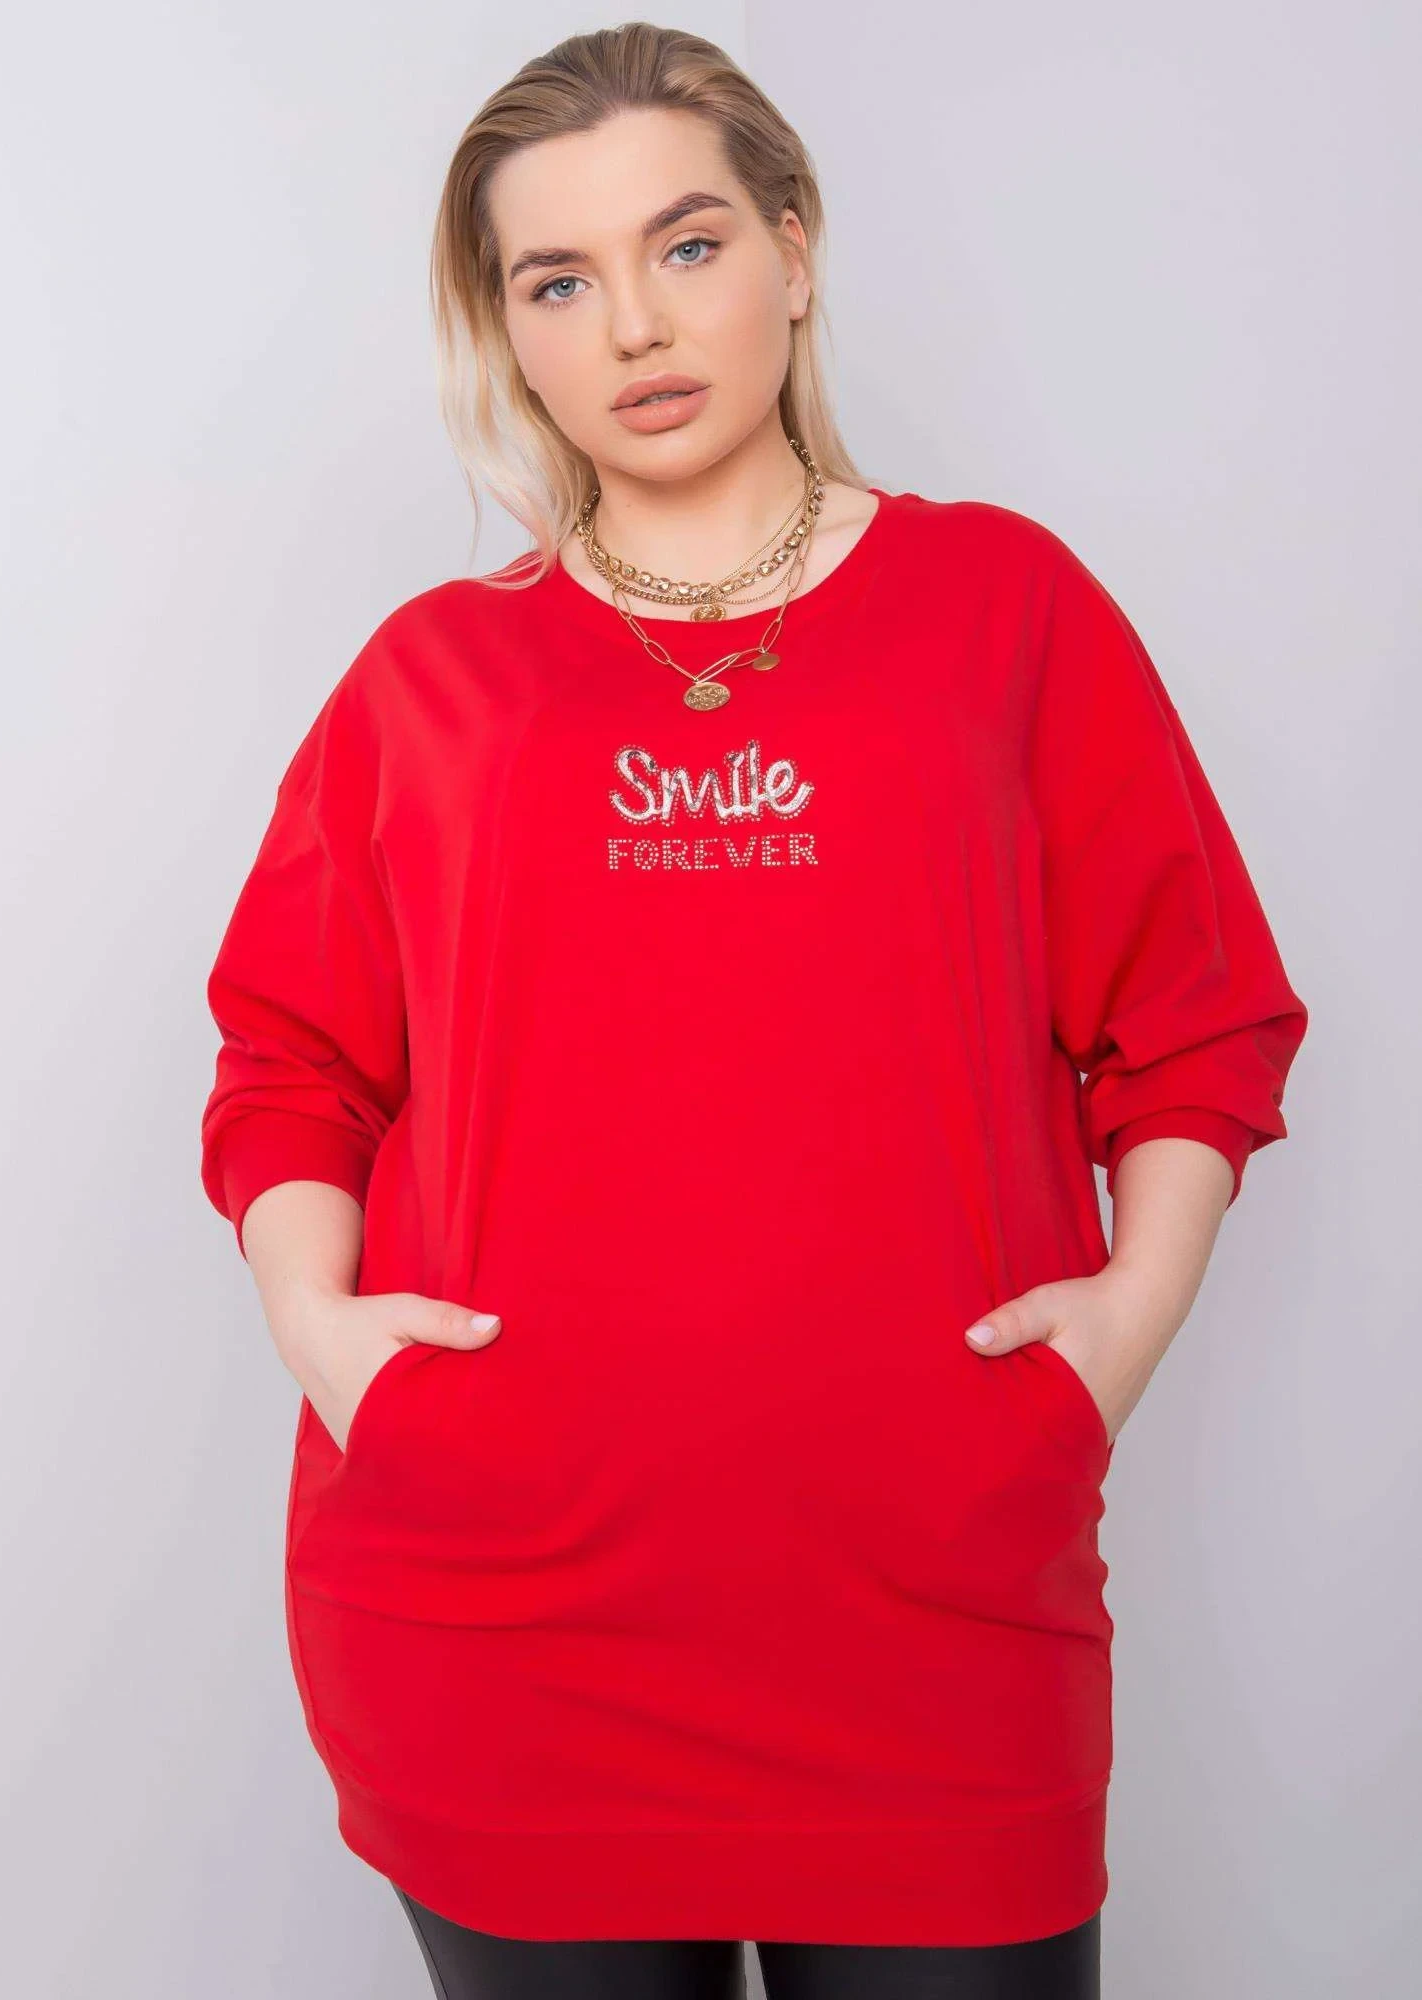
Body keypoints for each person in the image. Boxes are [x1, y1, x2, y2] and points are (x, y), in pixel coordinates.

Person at [198, 22, 1308, 1997]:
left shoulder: (1002, 611)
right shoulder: (435, 681)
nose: (635, 320)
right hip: (502, 1624)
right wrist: (324, 1335)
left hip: (939, 1620)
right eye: (558, 280)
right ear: (509, 332)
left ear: (795, 252)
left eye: (688, 244)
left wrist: (1120, 1330)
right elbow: (293, 1057)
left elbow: (1196, 1018)